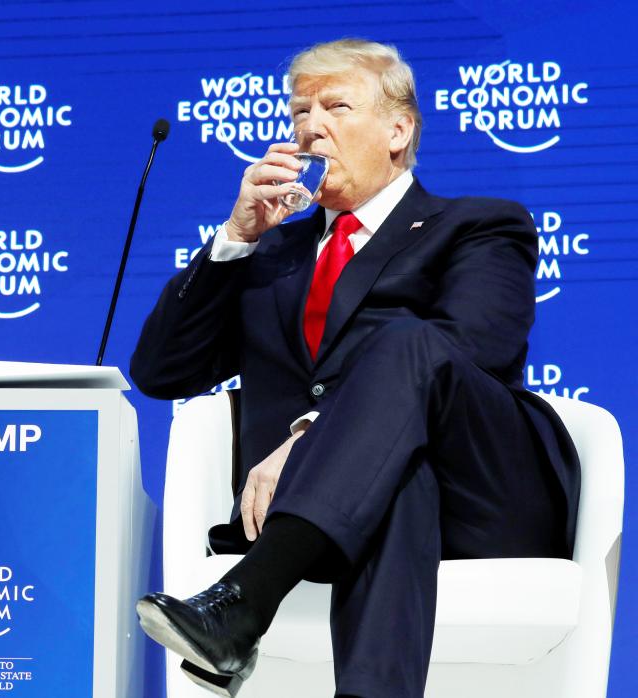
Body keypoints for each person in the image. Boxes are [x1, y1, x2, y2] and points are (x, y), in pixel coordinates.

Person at [129, 38, 580, 698]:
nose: (312, 127)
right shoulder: (273, 256)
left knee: (405, 344)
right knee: (396, 474)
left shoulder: (477, 226)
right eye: (300, 113)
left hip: (483, 496)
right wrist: (236, 237)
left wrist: (313, 436)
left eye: (336, 105)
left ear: (399, 130)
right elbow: (162, 372)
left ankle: (243, 602)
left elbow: (474, 347)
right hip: (334, 511)